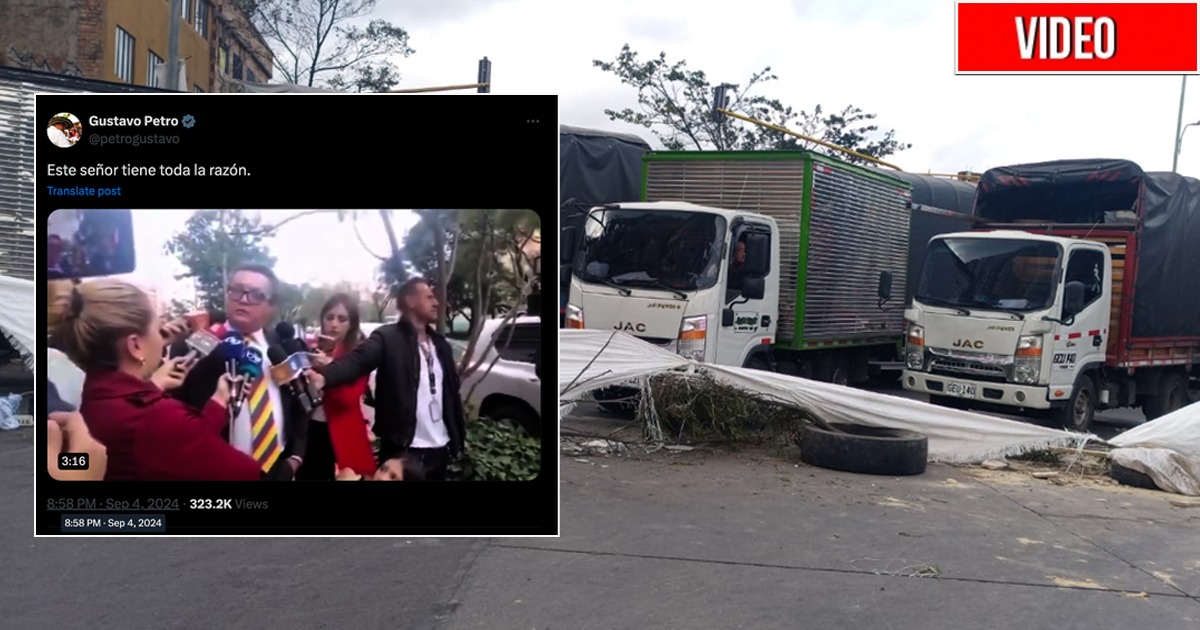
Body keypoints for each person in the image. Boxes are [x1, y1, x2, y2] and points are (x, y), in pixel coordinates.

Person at [49, 278, 270, 480]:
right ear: (135, 345)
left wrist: (219, 399)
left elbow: (182, 448)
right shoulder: (155, 419)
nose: (163, 335)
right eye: (158, 327)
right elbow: (245, 473)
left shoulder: (95, 402)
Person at [316, 278, 467, 480]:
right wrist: (325, 375)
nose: (436, 303)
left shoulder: (441, 344)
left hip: (440, 448)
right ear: (411, 300)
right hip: (402, 449)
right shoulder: (388, 337)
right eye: (429, 297)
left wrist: (457, 438)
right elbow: (357, 361)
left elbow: (451, 394)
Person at [171, 264, 309, 479]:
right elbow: (174, 412)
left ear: (271, 306)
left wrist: (295, 459)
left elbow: (300, 403)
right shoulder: (192, 346)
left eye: (255, 295)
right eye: (236, 290)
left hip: (276, 467)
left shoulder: (281, 347)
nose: (243, 299)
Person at [297, 294, 376, 480]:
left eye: (342, 319)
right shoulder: (308, 350)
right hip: (309, 430)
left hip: (342, 434)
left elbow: (348, 399)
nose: (334, 324)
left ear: (351, 324)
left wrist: (329, 370)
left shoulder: (358, 356)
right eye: (329, 317)